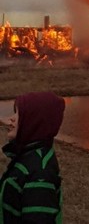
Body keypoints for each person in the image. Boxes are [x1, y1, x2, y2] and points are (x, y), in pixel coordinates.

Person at [0, 91, 65, 223]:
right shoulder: (27, 155)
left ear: (33, 121)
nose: (11, 118)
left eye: (18, 113)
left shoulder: (40, 174)